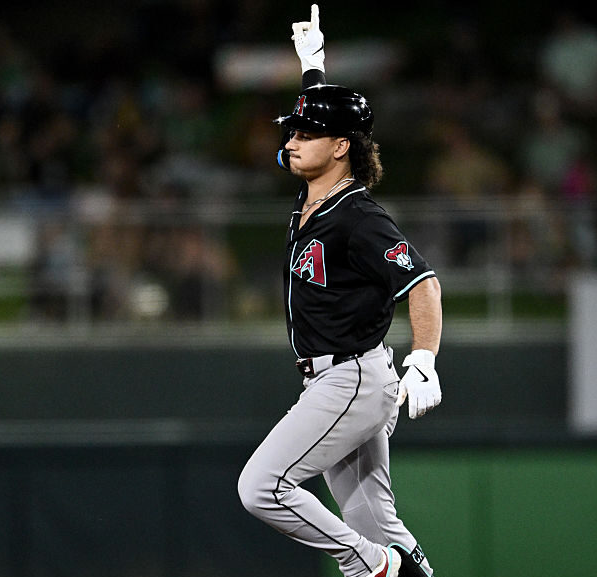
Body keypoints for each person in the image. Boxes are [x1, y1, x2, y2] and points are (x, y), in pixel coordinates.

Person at [238, 6, 441, 577]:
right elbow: (314, 124)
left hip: (350, 378)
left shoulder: (357, 217)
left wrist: (424, 357)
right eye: (293, 131)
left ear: (342, 147)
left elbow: (422, 281)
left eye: (308, 133)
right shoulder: (317, 197)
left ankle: (369, 566)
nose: (294, 140)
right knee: (378, 521)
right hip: (339, 376)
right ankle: (390, 561)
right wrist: (314, 71)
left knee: (261, 487)